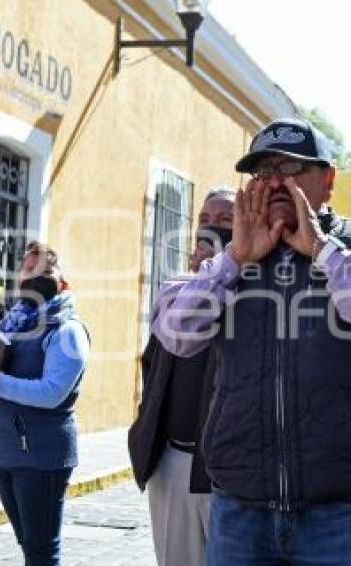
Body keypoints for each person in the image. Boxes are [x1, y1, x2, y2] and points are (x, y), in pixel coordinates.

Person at [152, 117, 351, 565]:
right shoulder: (232, 254)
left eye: (291, 168)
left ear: (327, 180)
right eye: (264, 172)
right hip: (241, 506)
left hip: (339, 511)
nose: (276, 181)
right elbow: (175, 336)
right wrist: (236, 259)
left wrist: (323, 250)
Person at [0, 242, 90, 566]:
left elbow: (53, 391)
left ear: (64, 282)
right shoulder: (9, 325)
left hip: (42, 456)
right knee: (28, 545)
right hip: (4, 452)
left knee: (41, 550)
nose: (35, 277)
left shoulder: (67, 330)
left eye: (46, 271)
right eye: (29, 270)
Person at [128, 187, 234, 566]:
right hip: (172, 460)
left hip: (225, 470)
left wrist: (225, 272)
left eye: (226, 220)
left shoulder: (257, 290)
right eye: (205, 219)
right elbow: (153, 364)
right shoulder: (175, 290)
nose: (211, 227)